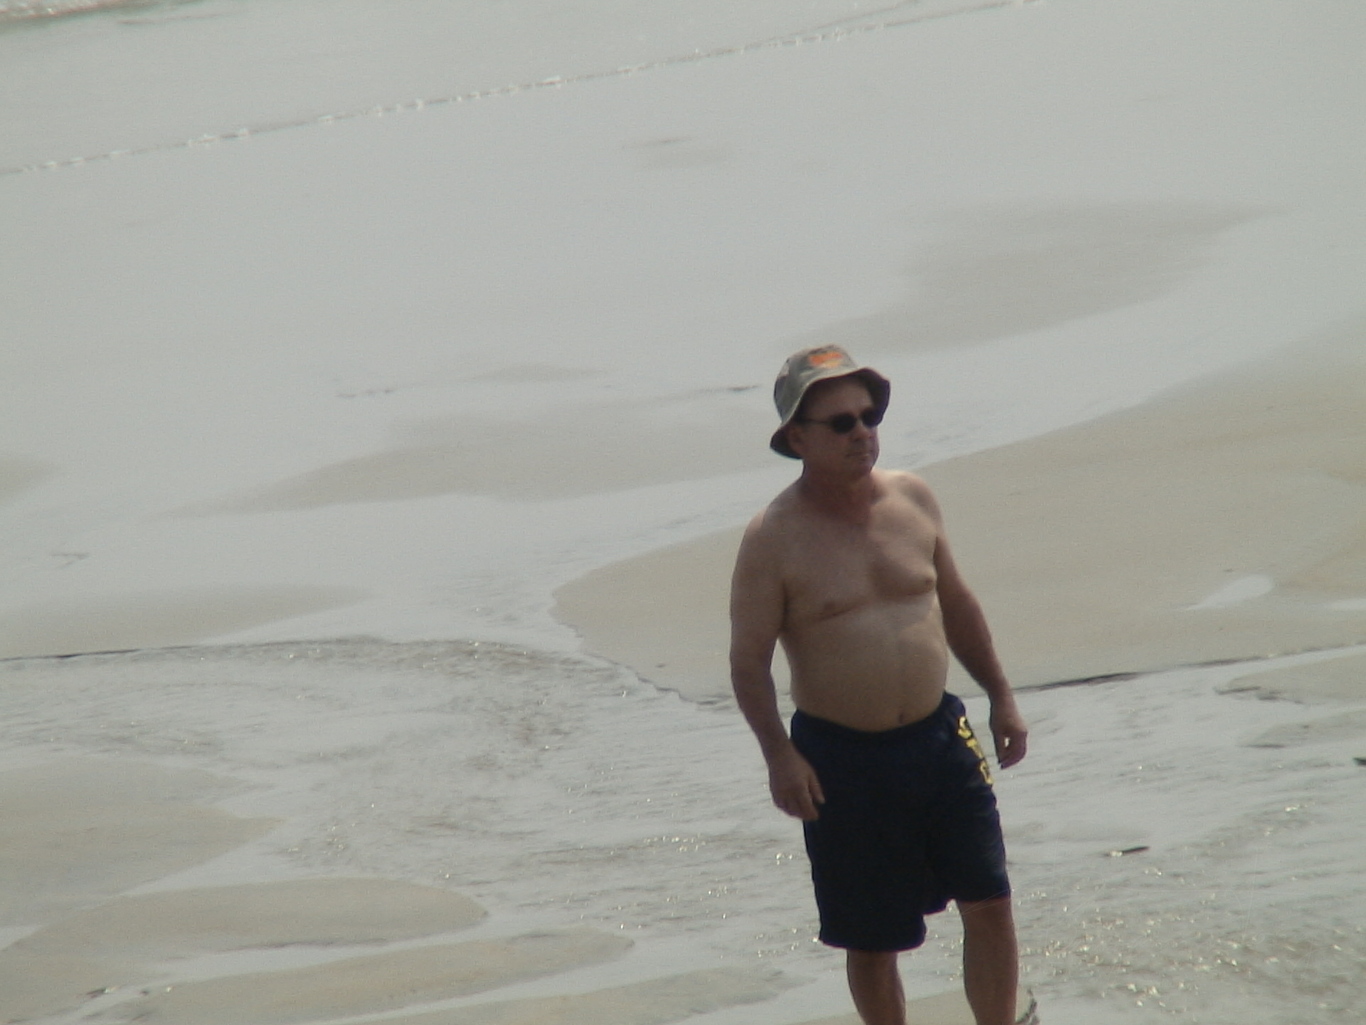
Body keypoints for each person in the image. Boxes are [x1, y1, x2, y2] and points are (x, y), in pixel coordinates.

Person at [729, 345, 1029, 1025]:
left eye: (869, 416)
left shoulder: (913, 498)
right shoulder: (773, 537)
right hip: (842, 759)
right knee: (872, 940)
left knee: (990, 900)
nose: (861, 432)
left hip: (940, 737)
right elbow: (747, 662)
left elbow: (957, 605)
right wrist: (779, 756)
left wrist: (1002, 697)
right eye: (841, 423)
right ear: (797, 438)